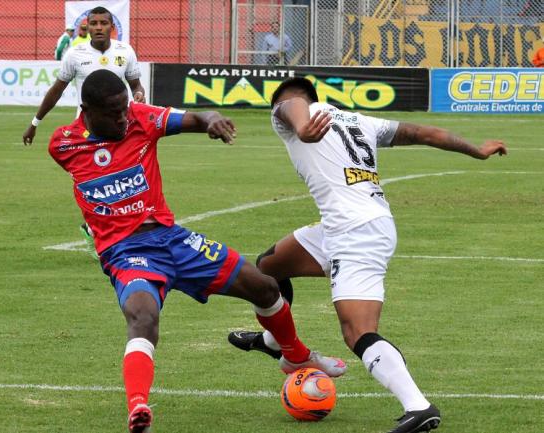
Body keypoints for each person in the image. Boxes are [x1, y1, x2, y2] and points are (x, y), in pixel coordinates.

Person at [47, 70, 348, 433]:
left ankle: (296, 357)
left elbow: (192, 118)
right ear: (87, 111)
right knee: (143, 317)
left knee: (265, 287)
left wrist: (212, 119)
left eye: (126, 109)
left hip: (174, 241)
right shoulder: (62, 145)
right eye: (114, 113)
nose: (124, 119)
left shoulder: (142, 118)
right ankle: (138, 406)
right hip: (127, 253)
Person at [228, 77, 508, 433]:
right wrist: (476, 150)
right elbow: (425, 133)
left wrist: (300, 125)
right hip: (338, 227)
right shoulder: (361, 121)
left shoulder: (291, 113)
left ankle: (418, 406)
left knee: (357, 331)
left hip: (357, 233)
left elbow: (290, 107)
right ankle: (276, 343)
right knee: (268, 268)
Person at [23, 6, 146, 146]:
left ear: (111, 27)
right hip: (86, 129)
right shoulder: (74, 54)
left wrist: (139, 94)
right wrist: (35, 123)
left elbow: (136, 86)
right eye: (94, 24)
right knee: (84, 168)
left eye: (103, 23)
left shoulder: (125, 51)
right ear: (88, 28)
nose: (99, 28)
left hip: (118, 128)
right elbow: (57, 90)